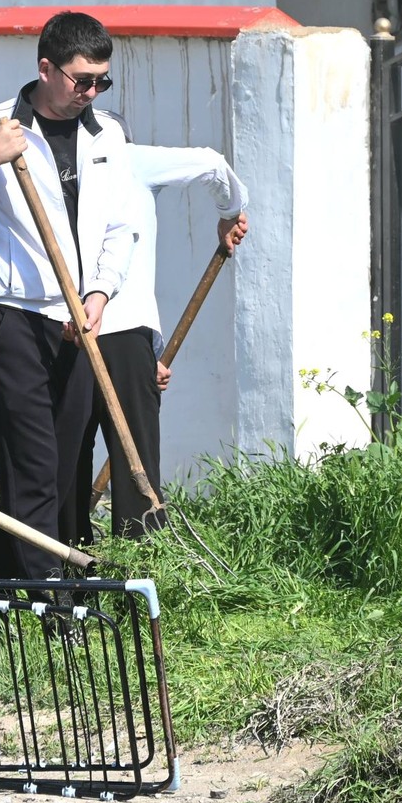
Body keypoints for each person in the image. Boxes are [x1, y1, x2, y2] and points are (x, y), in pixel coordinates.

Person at [0, 11, 136, 583]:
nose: (90, 93)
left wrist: (99, 291)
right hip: (12, 321)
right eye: (81, 80)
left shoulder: (106, 134)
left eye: (101, 82)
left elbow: (119, 226)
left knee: (57, 469)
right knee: (35, 468)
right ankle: (52, 601)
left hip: (80, 320)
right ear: (46, 68)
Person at [84, 143, 248, 538]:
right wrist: (229, 212)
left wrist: (230, 213)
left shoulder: (118, 156)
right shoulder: (122, 157)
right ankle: (102, 563)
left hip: (98, 328)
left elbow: (211, 165)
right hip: (108, 330)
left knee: (115, 460)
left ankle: (121, 563)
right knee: (125, 458)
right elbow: (213, 165)